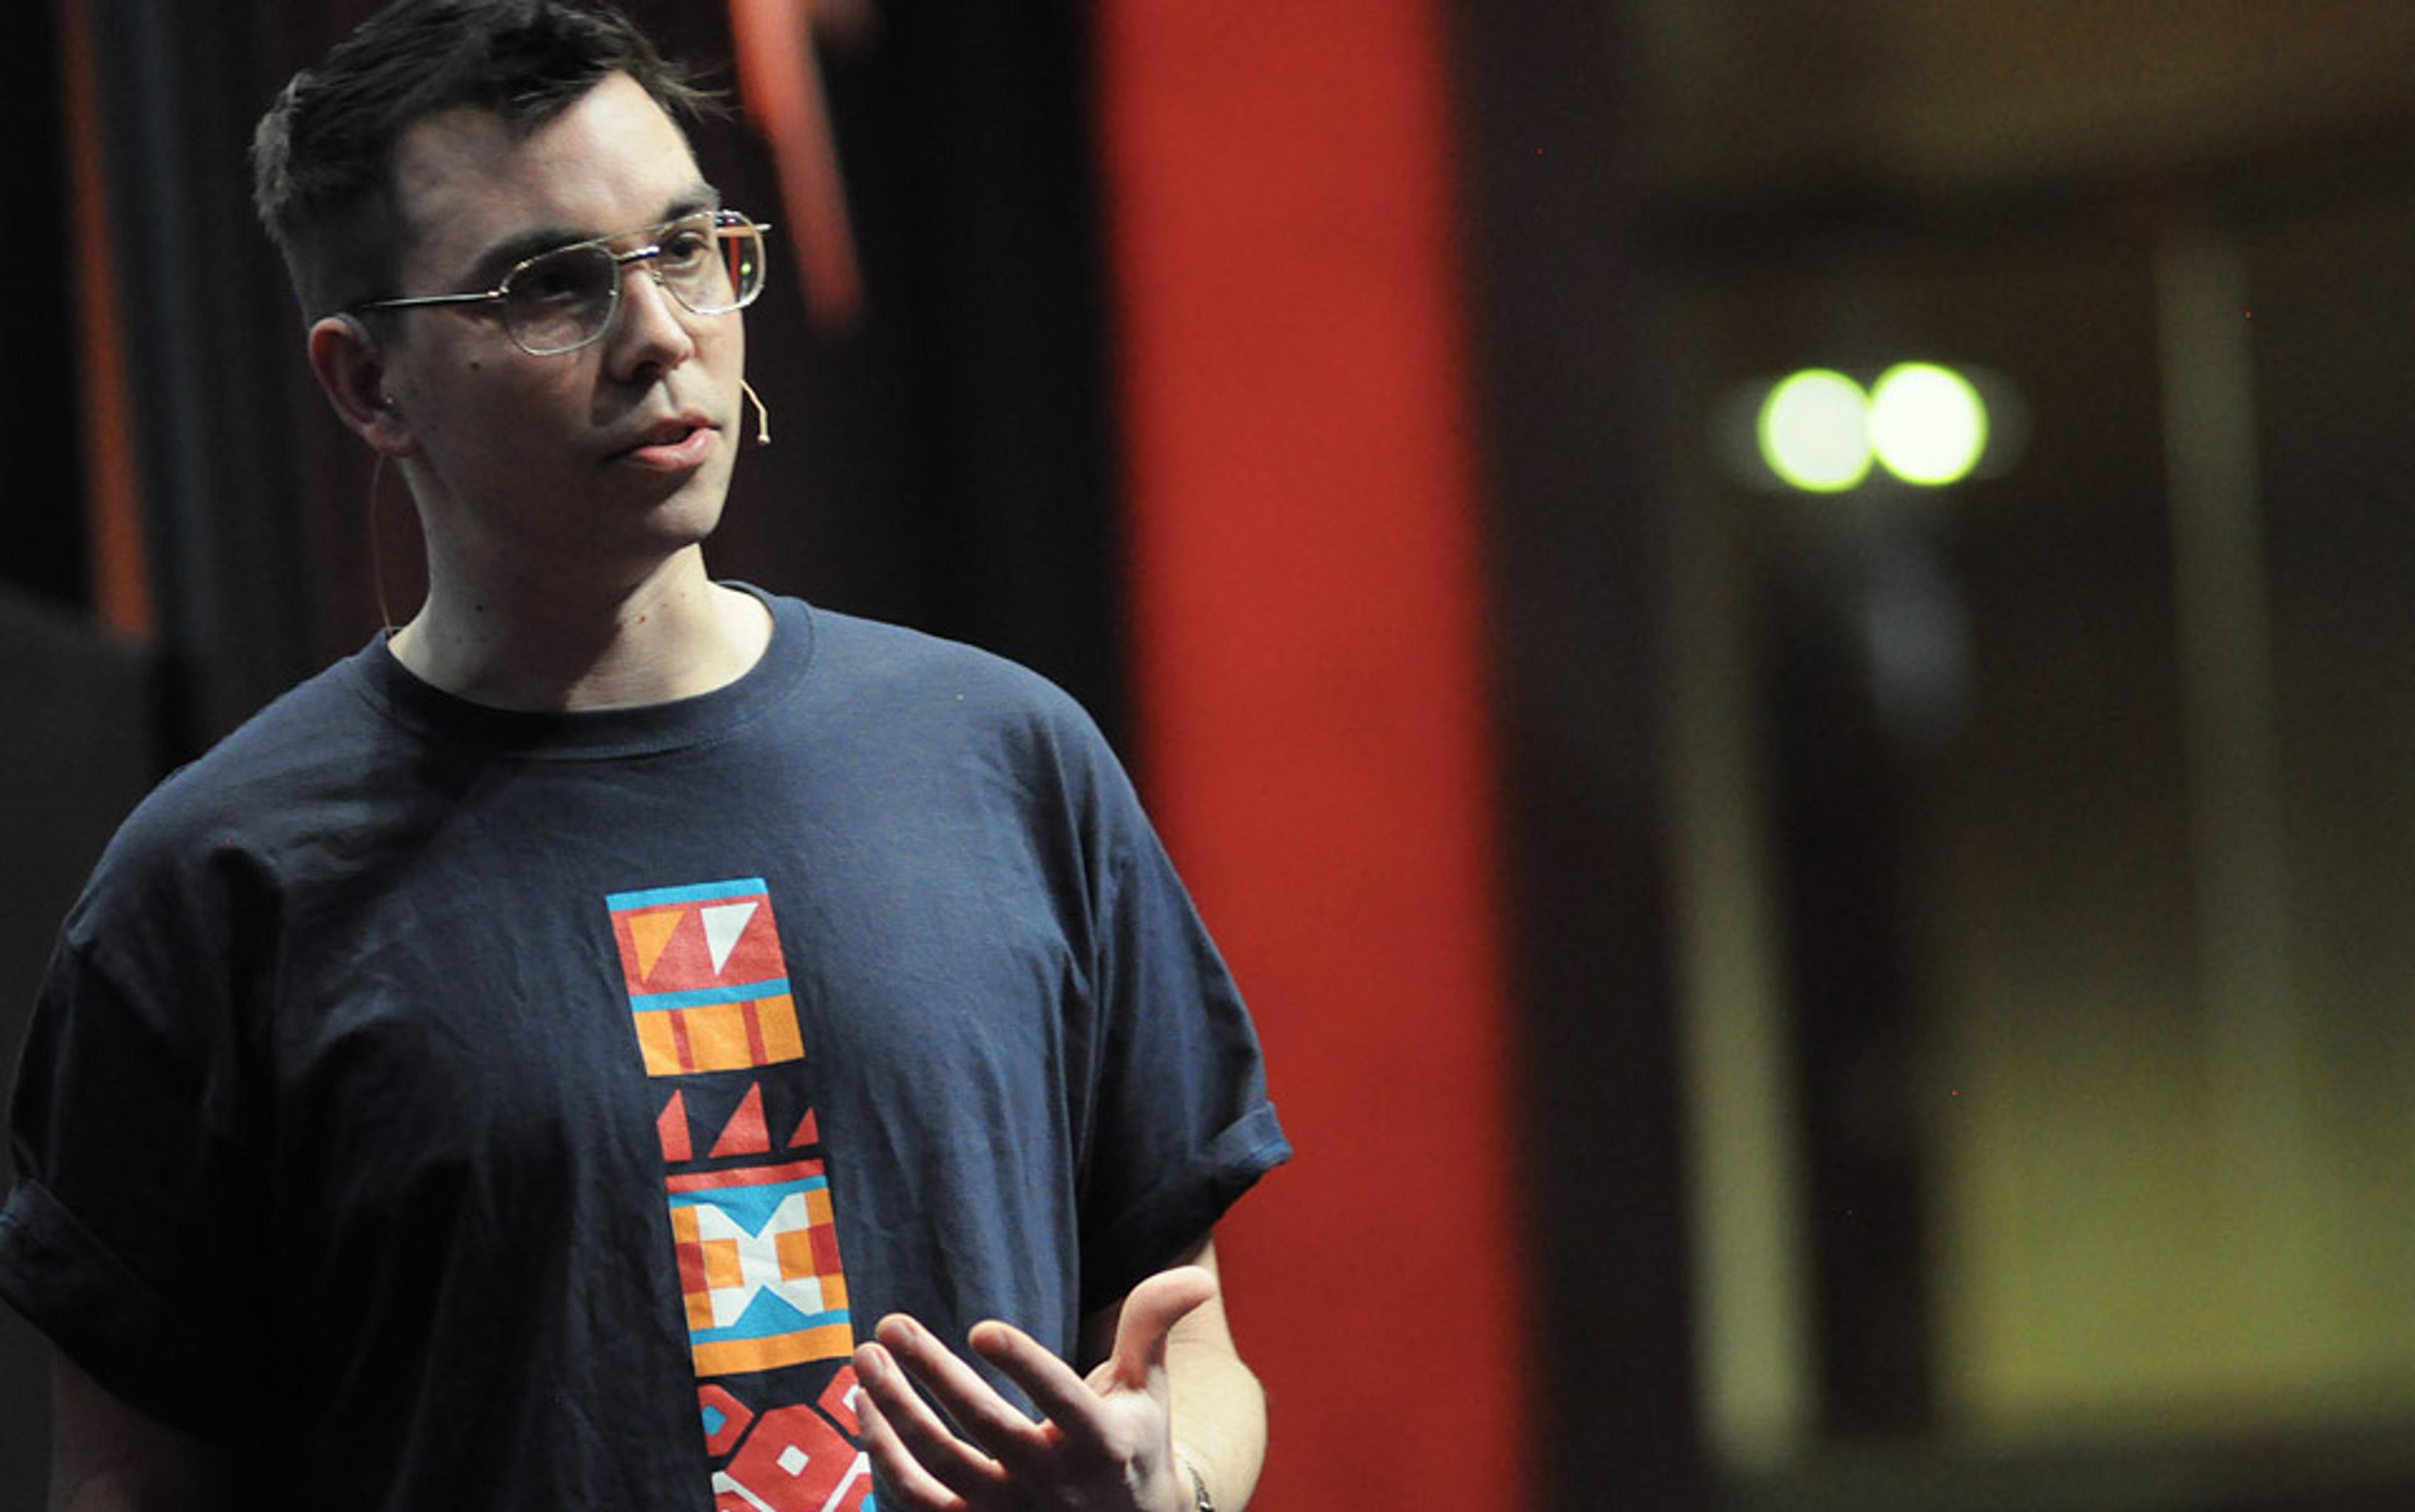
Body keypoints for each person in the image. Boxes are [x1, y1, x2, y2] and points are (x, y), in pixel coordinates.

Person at [0, 3, 1289, 1508]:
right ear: (367, 384)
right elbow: (128, 1479)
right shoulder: (216, 887)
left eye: (686, 248)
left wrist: (1172, 1485)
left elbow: (1184, 1342)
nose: (661, 336)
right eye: (550, 286)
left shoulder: (1005, 760)